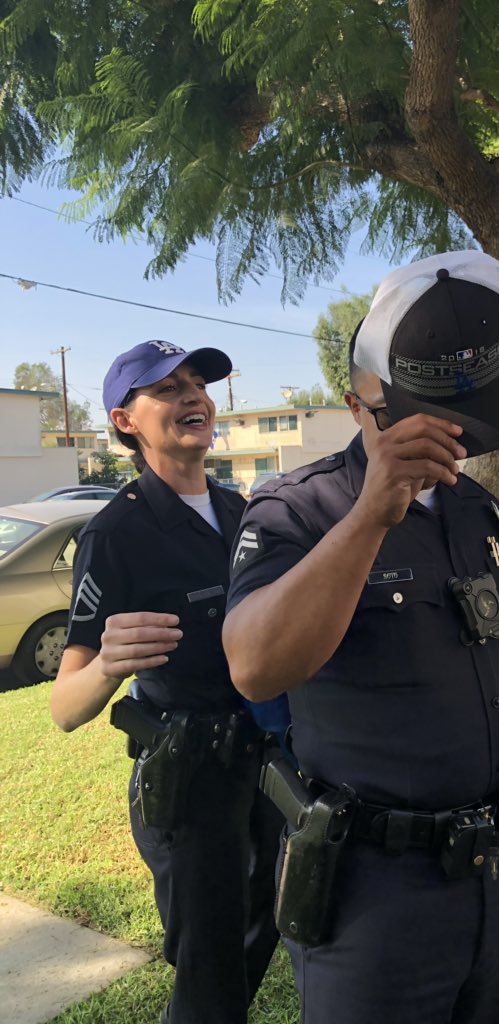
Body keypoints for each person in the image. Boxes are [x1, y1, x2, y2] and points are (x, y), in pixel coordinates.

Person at [223, 251, 499, 1024]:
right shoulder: (298, 509)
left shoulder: (477, 508)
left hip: (492, 864)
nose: (447, 432)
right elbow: (254, 666)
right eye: (418, 411)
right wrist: (371, 516)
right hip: (371, 892)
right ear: (357, 404)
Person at [51, 339, 283, 1024]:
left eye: (197, 384)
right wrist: (107, 664)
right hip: (191, 783)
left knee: (272, 917)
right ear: (125, 421)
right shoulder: (116, 533)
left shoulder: (242, 512)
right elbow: (64, 706)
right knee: (208, 968)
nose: (193, 397)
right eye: (167, 388)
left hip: (270, 766)